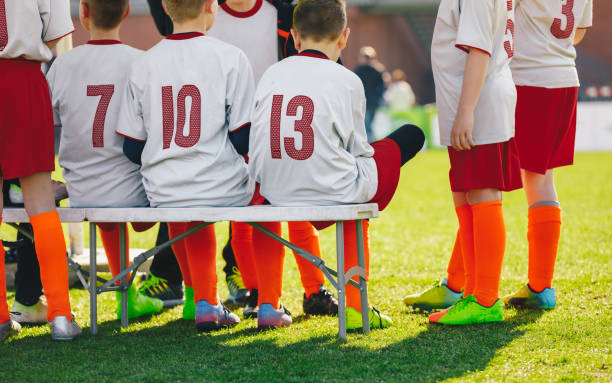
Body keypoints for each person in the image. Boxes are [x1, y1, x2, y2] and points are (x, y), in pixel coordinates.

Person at [403, 0, 593, 314]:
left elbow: (494, 19)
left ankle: (459, 284)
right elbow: (579, 31)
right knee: (540, 180)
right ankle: (540, 285)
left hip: (524, 75)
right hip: (564, 76)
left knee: (483, 183)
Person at [249, 0, 425, 331]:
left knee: (276, 197)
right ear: (344, 38)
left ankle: (267, 304)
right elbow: (359, 150)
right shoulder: (346, 80)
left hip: (272, 189)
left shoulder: (272, 73)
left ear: (296, 38)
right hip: (330, 189)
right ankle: (357, 305)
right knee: (408, 138)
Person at [117, 0, 258, 332]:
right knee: (203, 190)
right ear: (211, 5)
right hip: (220, 186)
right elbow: (243, 139)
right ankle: (209, 301)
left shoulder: (143, 62)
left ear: (165, 7)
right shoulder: (231, 56)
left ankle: (197, 297)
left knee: (183, 197)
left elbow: (132, 147)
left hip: (162, 188)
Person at [206, 0, 339, 319]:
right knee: (243, 219)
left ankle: (314, 290)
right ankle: (256, 293)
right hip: (230, 135)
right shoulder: (208, 16)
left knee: (298, 212)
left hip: (281, 129)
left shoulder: (280, 13)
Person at [46, 0, 166, 321]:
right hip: (137, 193)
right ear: (127, 13)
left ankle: (127, 291)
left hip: (83, 190)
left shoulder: (62, 65)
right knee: (168, 187)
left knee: (105, 195)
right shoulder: (142, 62)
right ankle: (198, 294)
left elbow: (48, 125)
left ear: (83, 13)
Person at [415, 0, 520, 325]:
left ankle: (485, 300)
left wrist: (465, 113)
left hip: (478, 103)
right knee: (466, 195)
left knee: (482, 195)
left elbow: (479, 53)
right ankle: (474, 294)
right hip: (474, 102)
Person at [0, 0, 81, 340]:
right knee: (40, 202)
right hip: (23, 79)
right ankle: (61, 317)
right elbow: (56, 35)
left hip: (21, 76)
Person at [354, 46, 386, 142]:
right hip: (373, 101)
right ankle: (369, 142)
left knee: (365, 124)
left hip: (363, 101)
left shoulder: (359, 69)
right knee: (369, 124)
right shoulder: (378, 70)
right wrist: (378, 97)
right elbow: (382, 87)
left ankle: (367, 143)